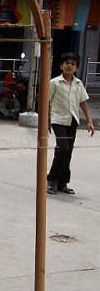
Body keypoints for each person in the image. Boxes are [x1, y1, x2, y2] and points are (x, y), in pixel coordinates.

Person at [47, 52, 94, 195]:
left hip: (72, 120)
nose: (69, 65)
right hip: (58, 120)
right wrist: (46, 120)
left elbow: (82, 102)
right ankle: (52, 180)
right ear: (61, 66)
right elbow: (46, 102)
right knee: (64, 148)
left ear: (76, 68)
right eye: (67, 63)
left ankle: (62, 183)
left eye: (73, 64)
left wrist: (89, 121)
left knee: (67, 152)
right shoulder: (54, 82)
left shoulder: (78, 84)